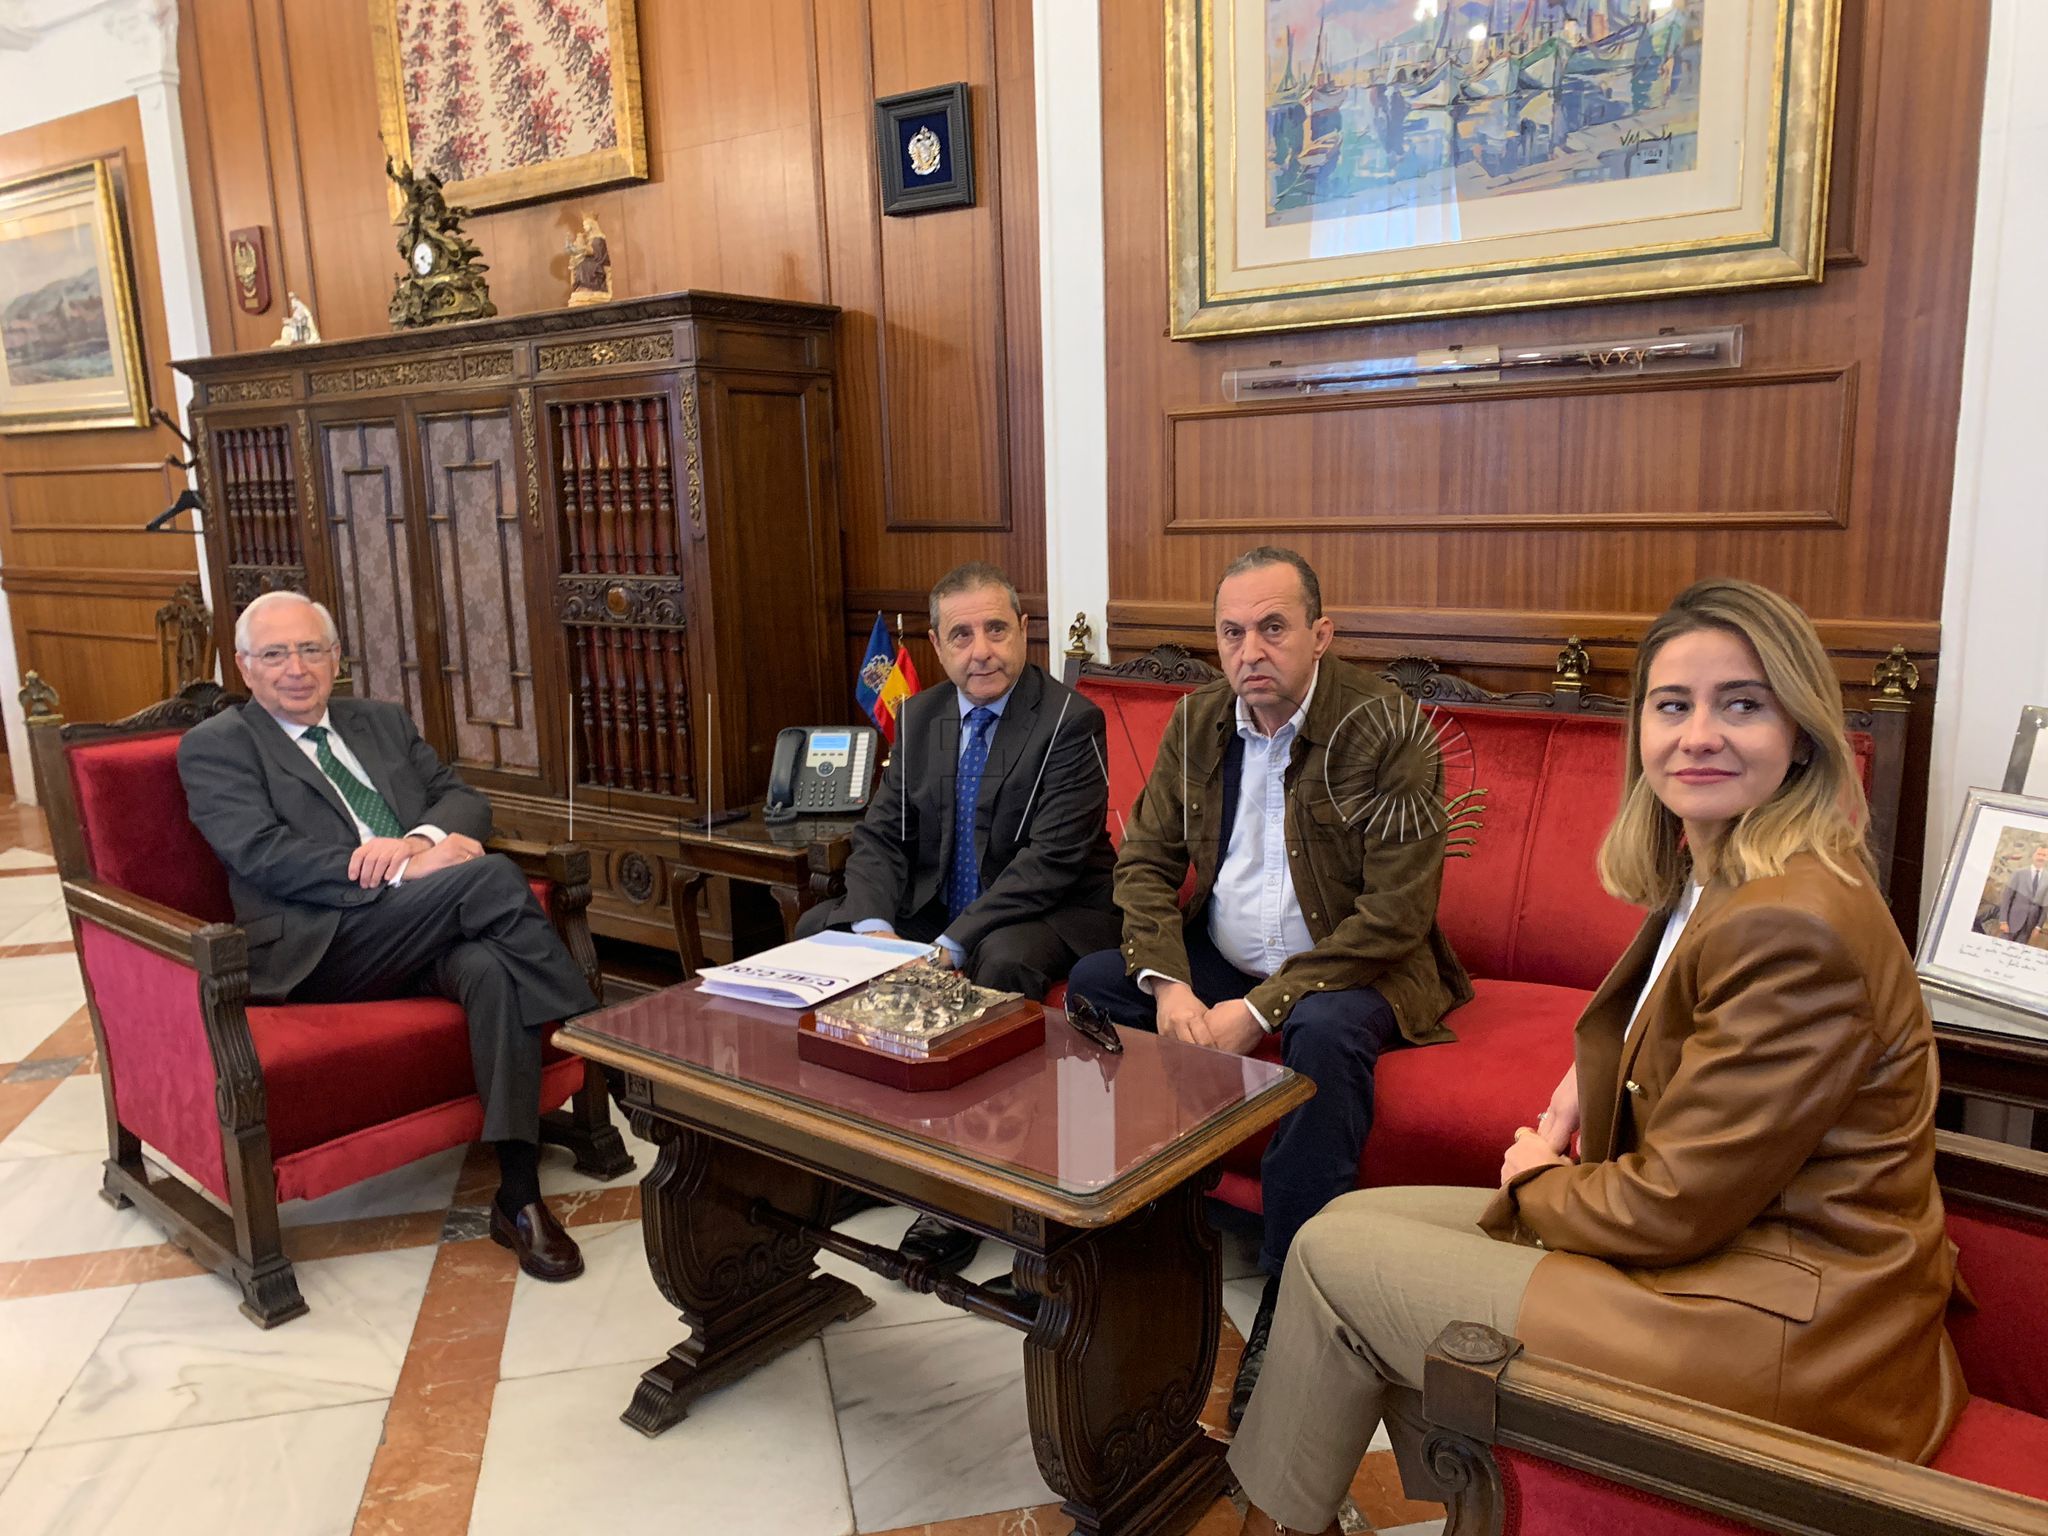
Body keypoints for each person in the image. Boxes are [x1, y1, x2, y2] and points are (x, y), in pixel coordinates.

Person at [1227, 579, 1965, 1536]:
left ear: (1802, 734)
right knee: (1349, 1219)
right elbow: (1693, 1038)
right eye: (1673, 705)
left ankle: (1311, 1517)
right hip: (1724, 1255)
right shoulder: (1727, 864)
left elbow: (1671, 1206)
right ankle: (1448, 1503)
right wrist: (1593, 1075)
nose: (1699, 735)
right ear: (1641, 730)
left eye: (1742, 704)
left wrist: (1537, 1179)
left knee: (1335, 1261)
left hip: (1773, 1323)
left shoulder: (1794, 921)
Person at [1063, 546, 1472, 1425]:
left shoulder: (1389, 728)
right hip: (1223, 955)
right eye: (1231, 633)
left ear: (1321, 635)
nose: (1250, 651)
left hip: (1354, 965)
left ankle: (1291, 1299)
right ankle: (1133, 1217)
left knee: (1320, 1036)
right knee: (1096, 986)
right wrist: (1172, 989)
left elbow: (1396, 916)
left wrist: (1260, 1010)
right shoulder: (1197, 721)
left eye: (1273, 628)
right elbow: (1144, 865)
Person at [178, 590, 600, 1282]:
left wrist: (419, 842)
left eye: (311, 650)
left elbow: (464, 800)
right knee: (493, 878)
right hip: (319, 944)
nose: (295, 669)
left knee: (490, 969)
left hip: (418, 924)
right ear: (244, 667)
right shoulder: (218, 746)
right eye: (275, 654)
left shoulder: (379, 721)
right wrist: (401, 871)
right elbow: (260, 853)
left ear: (336, 658)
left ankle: (519, 1197)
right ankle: (603, 1037)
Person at [797, 562, 1120, 1274]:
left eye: (996, 630)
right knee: (821, 932)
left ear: (1024, 632)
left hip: (1054, 909)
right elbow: (882, 838)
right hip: (943, 906)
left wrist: (949, 944)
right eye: (963, 635)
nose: (982, 651)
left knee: (999, 961)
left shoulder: (1070, 722)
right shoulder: (921, 716)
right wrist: (876, 931)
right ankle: (869, 1153)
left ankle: (968, 1190)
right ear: (939, 646)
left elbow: (1050, 862)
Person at [1993, 844, 2048, 946]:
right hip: (2012, 921)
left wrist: (2038, 926)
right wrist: (2003, 920)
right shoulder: (2019, 873)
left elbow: (2045, 906)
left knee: (2018, 950)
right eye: (2039, 854)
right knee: (2001, 946)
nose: (2041, 857)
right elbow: (2007, 898)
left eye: (2044, 855)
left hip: (2029, 925)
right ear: (2033, 855)